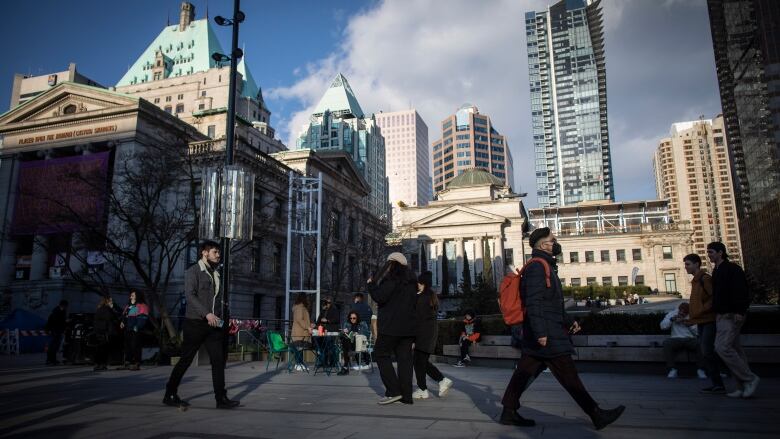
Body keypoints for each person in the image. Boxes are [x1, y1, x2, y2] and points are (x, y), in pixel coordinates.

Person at [500, 227, 625, 430]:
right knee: (569, 375)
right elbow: (533, 303)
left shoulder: (546, 266)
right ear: (543, 245)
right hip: (547, 335)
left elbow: (553, 303)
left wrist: (568, 321)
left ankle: (508, 411)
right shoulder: (537, 268)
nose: (556, 242)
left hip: (547, 331)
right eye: (553, 240)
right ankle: (596, 414)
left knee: (523, 373)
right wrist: (541, 333)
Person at [163, 240, 239, 409]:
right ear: (204, 253)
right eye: (215, 252)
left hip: (214, 325)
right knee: (186, 360)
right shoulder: (193, 271)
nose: (218, 255)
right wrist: (207, 313)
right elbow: (190, 296)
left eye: (219, 252)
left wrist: (224, 319)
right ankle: (170, 393)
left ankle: (221, 399)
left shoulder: (216, 273)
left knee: (218, 361)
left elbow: (218, 300)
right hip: (195, 323)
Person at [707, 241, 759, 398]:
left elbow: (741, 291)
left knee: (722, 347)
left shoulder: (732, 269)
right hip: (722, 315)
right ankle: (741, 386)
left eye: (711, 252)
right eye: (708, 252)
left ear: (720, 252)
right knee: (735, 350)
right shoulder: (717, 270)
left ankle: (750, 379)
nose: (709, 255)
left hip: (731, 315)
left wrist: (739, 311)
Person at [368, 252, 417, 405]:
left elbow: (380, 297)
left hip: (390, 327)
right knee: (405, 360)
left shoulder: (391, 280)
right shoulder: (411, 282)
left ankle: (394, 391)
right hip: (408, 328)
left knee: (380, 354)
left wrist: (371, 285)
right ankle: (407, 396)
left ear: (392, 264)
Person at [685, 253, 725, 394]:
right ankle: (716, 382)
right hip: (701, 321)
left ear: (697, 264)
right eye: (685, 264)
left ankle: (719, 381)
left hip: (709, 320)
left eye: (688, 264)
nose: (686, 267)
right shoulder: (695, 281)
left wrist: (701, 311)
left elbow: (713, 298)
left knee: (707, 350)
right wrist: (692, 318)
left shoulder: (705, 279)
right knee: (705, 351)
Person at [412, 271, 453, 399]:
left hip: (423, 335)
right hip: (429, 334)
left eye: (419, 282)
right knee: (421, 362)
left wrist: (413, 338)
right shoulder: (430, 296)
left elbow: (417, 319)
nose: (417, 284)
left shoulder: (421, 298)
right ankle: (426, 387)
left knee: (420, 362)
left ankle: (437, 382)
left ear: (422, 283)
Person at [660, 302, 705, 379]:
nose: (682, 313)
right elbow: (662, 326)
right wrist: (671, 320)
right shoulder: (672, 314)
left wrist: (686, 323)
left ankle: (701, 369)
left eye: (684, 313)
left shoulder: (692, 316)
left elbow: (698, 332)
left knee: (700, 344)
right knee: (667, 343)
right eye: (680, 311)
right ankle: (672, 369)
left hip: (690, 339)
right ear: (678, 310)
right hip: (675, 339)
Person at [121, 289, 150, 371]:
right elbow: (124, 315)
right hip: (128, 328)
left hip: (135, 329)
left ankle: (136, 363)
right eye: (130, 295)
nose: (130, 297)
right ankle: (128, 362)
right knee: (127, 346)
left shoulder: (142, 305)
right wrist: (123, 322)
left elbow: (143, 317)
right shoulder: (129, 306)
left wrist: (137, 326)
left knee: (135, 345)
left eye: (132, 295)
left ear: (138, 296)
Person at [337, 311, 371, 375]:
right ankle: (346, 365)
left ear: (357, 318)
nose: (352, 320)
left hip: (359, 344)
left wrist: (358, 333)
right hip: (349, 345)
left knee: (346, 344)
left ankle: (345, 367)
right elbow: (340, 335)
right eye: (351, 318)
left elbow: (367, 334)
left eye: (354, 318)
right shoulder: (347, 324)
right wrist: (343, 332)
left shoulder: (362, 323)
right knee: (345, 340)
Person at [93, 296, 119, 371]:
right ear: (107, 302)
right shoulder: (107, 310)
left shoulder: (99, 309)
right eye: (111, 301)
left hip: (99, 332)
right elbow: (111, 320)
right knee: (104, 349)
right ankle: (102, 364)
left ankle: (97, 364)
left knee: (99, 349)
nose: (112, 303)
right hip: (105, 332)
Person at [45, 300, 68, 366]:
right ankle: (51, 360)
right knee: (53, 346)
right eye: (66, 306)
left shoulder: (61, 311)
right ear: (64, 305)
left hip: (57, 330)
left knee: (55, 346)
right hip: (55, 330)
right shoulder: (57, 311)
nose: (66, 308)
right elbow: (56, 321)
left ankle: (52, 359)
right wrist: (65, 321)